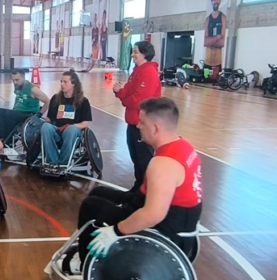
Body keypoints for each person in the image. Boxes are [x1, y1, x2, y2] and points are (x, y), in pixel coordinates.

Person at [79, 97, 202, 264]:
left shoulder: (163, 164)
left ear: (155, 128)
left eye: (142, 122)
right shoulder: (184, 146)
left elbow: (153, 215)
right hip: (177, 218)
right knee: (100, 192)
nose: (138, 126)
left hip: (167, 229)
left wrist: (117, 230)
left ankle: (85, 263)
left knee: (90, 206)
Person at [113, 41, 161, 189]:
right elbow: (128, 91)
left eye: (136, 52)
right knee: (136, 159)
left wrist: (123, 98)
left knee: (144, 160)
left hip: (143, 125)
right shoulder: (137, 71)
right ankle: (139, 187)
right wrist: (120, 92)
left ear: (144, 54)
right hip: (133, 123)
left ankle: (147, 191)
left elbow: (139, 101)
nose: (132, 55)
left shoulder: (148, 72)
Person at [39, 69, 92, 167]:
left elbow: (85, 124)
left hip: (72, 132)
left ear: (73, 84)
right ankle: (52, 162)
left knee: (71, 129)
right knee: (45, 127)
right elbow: (49, 119)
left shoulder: (83, 101)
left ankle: (63, 164)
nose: (62, 84)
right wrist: (48, 125)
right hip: (57, 130)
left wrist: (70, 126)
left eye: (65, 82)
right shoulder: (55, 98)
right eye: (61, 81)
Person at [0, 68, 49, 145]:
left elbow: (48, 101)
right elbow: (17, 100)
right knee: (0, 112)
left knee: (5, 113)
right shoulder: (18, 86)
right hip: (18, 113)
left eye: (17, 80)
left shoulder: (33, 89)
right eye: (13, 80)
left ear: (23, 77)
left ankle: (5, 136)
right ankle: (3, 135)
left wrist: (39, 115)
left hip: (28, 114)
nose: (15, 82)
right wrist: (13, 109)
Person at [203, 0, 227, 69]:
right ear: (211, 1)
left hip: (217, 63)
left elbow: (221, 43)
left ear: (220, 0)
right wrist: (217, 37)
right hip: (207, 62)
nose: (216, 1)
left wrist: (211, 40)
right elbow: (206, 42)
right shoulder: (207, 19)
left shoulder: (223, 18)